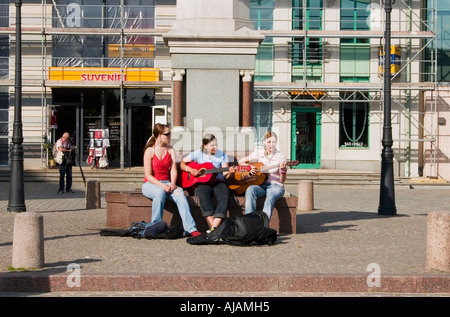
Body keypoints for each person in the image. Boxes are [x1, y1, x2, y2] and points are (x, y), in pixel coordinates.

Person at [141, 123, 201, 237]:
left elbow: (174, 169)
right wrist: (162, 186)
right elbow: (148, 175)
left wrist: (173, 183)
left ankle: (190, 228)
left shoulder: (170, 149)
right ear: (159, 136)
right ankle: (156, 226)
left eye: (170, 134)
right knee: (159, 192)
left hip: (167, 183)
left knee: (180, 193)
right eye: (167, 134)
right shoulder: (149, 151)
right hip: (151, 184)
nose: (170, 136)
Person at [180, 133, 236, 233]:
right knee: (202, 194)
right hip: (202, 182)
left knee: (224, 195)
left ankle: (214, 227)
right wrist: (191, 170)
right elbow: (182, 164)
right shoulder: (198, 153)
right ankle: (214, 227)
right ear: (205, 146)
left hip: (218, 182)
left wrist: (230, 173)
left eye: (216, 144)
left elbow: (226, 175)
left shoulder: (222, 155)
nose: (215, 147)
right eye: (212, 145)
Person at [238, 131, 287, 220]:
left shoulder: (280, 157)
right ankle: (249, 222)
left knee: (270, 195)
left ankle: (263, 224)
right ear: (264, 142)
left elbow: (282, 180)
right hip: (261, 185)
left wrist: (283, 171)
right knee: (250, 189)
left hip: (276, 186)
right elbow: (241, 161)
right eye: (269, 142)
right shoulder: (259, 153)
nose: (271, 145)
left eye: (274, 142)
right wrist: (250, 167)